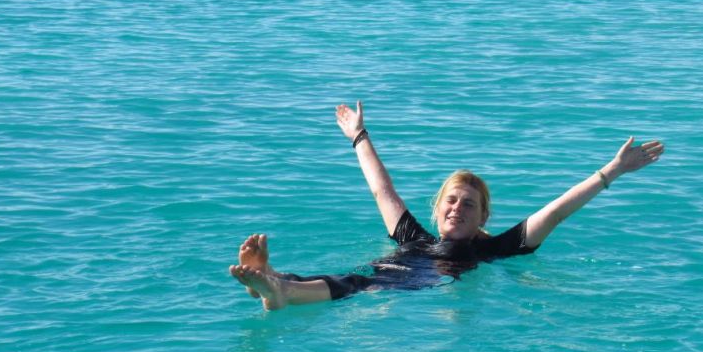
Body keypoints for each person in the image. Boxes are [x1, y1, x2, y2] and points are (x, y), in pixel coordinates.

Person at [230, 101, 664, 310]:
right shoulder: (413, 236)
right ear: (437, 209)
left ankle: (278, 289)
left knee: (356, 283)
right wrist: (359, 136)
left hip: (409, 287)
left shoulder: (494, 249)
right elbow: (383, 191)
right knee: (349, 278)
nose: (457, 208)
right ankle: (271, 282)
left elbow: (556, 211)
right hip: (385, 274)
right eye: (451, 202)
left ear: (483, 218)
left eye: (469, 205)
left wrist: (612, 170)